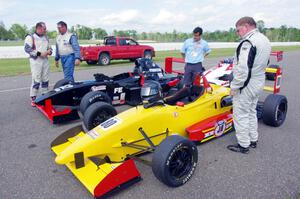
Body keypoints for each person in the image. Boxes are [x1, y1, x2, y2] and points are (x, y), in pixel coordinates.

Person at [227, 16, 271, 154]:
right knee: (252, 111)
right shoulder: (264, 39)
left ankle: (243, 145)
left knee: (241, 114)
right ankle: (253, 140)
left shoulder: (248, 42)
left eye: (238, 30)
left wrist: (234, 87)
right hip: (258, 81)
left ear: (246, 26)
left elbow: (243, 69)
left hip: (246, 85)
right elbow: (266, 61)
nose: (238, 33)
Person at [24, 22, 52, 106]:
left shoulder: (46, 37)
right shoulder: (30, 37)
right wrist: (39, 54)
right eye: (44, 29)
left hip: (45, 61)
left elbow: (50, 48)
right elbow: (27, 49)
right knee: (36, 79)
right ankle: (33, 98)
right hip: (36, 61)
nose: (45, 30)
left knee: (45, 79)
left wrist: (49, 51)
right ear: (39, 28)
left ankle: (45, 97)